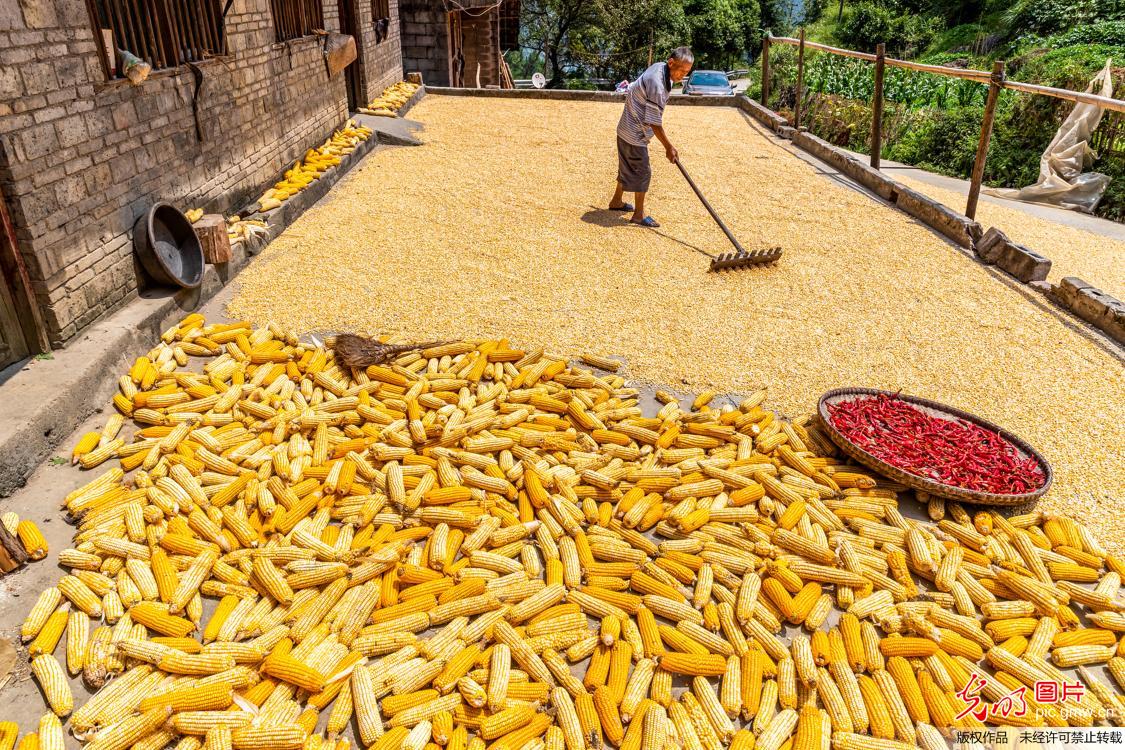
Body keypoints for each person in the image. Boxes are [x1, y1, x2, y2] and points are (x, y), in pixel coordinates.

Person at [609, 47, 694, 228]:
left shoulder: (659, 66)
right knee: (643, 172)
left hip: (624, 129)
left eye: (687, 72)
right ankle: (639, 215)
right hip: (634, 135)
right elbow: (654, 121)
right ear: (671, 63)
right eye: (681, 70)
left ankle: (616, 201)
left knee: (626, 167)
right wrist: (668, 147)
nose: (683, 75)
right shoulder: (656, 84)